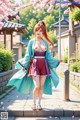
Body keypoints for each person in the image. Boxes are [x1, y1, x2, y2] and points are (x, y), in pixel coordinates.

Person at [7, 21, 62, 111]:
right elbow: (28, 55)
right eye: (37, 30)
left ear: (43, 31)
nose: (38, 32)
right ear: (35, 31)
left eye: (40, 30)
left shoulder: (45, 43)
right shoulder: (31, 42)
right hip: (35, 65)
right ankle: (33, 103)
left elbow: (48, 56)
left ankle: (39, 104)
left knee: (41, 86)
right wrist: (22, 63)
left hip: (44, 65)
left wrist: (56, 61)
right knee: (36, 86)